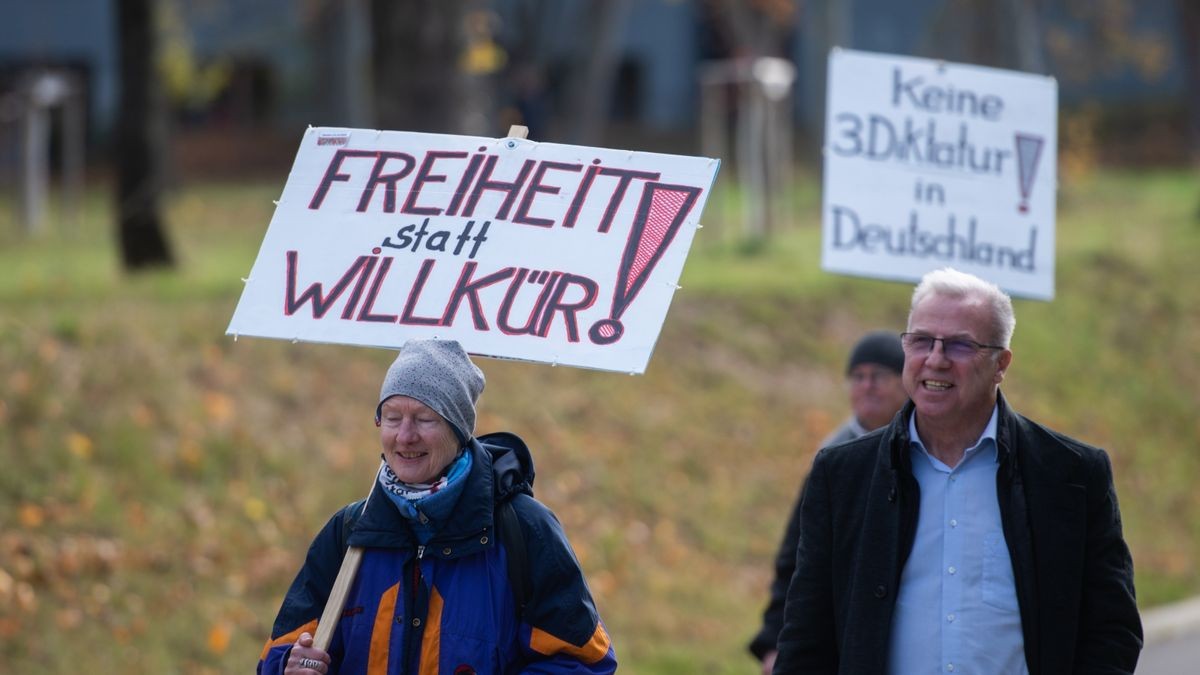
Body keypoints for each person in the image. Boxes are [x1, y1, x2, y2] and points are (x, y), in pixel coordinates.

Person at [773, 268, 1142, 675]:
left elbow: (1113, 630)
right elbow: (807, 635)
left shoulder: (1070, 475)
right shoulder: (842, 475)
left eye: (960, 346)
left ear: (1000, 364)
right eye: (921, 341)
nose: (936, 359)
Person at [258, 339, 617, 674]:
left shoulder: (523, 529)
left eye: (425, 419)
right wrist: (289, 665)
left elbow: (585, 661)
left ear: (459, 430)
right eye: (393, 417)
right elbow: (277, 654)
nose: (405, 436)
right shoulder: (350, 532)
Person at [750, 331, 909, 674]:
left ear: (906, 383)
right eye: (858, 377)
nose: (867, 386)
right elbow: (797, 558)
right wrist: (775, 639)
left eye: (879, 376)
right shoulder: (832, 458)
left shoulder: (929, 451)